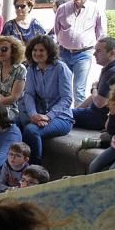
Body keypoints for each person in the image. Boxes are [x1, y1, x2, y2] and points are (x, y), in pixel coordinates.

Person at [20, 34, 74, 163]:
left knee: (31, 130)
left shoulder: (60, 68)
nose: (37, 53)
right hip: (39, 114)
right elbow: (29, 94)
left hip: (61, 118)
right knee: (15, 122)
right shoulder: (32, 69)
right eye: (35, 50)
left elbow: (66, 98)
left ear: (49, 52)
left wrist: (48, 116)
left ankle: (34, 169)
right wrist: (33, 114)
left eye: (41, 50)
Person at [53, 0, 106, 106]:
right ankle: (62, 114)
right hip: (64, 53)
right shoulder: (63, 8)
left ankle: (78, 116)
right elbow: (56, 31)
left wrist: (99, 53)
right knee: (62, 87)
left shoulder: (96, 10)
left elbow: (102, 34)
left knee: (79, 89)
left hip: (84, 54)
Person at [71, 36, 115, 130]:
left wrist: (94, 88)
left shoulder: (114, 71)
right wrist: (77, 109)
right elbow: (98, 96)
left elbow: (100, 102)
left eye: (98, 51)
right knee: (66, 113)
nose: (94, 54)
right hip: (98, 114)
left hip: (101, 118)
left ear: (112, 53)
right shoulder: (114, 67)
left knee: (60, 116)